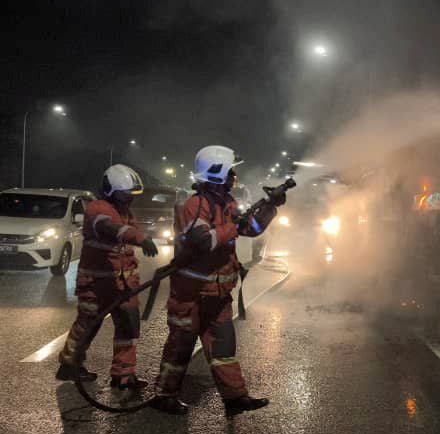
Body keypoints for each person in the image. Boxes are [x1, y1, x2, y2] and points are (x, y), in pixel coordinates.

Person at [150, 145, 284, 416]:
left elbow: (250, 229)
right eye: (231, 170)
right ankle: (164, 396)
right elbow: (202, 240)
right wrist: (233, 225)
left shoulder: (227, 204)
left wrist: (270, 207)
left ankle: (235, 399)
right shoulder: (194, 205)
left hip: (218, 293)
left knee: (224, 347)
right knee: (180, 346)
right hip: (191, 294)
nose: (235, 175)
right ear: (217, 173)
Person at [56, 164, 159, 388]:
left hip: (123, 284)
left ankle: (123, 376)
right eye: (125, 194)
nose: (129, 198)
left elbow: (128, 230)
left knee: (128, 328)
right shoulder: (97, 208)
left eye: (131, 194)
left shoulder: (125, 211)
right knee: (87, 325)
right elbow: (109, 228)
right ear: (110, 189)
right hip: (96, 284)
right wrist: (138, 238)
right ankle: (69, 365)